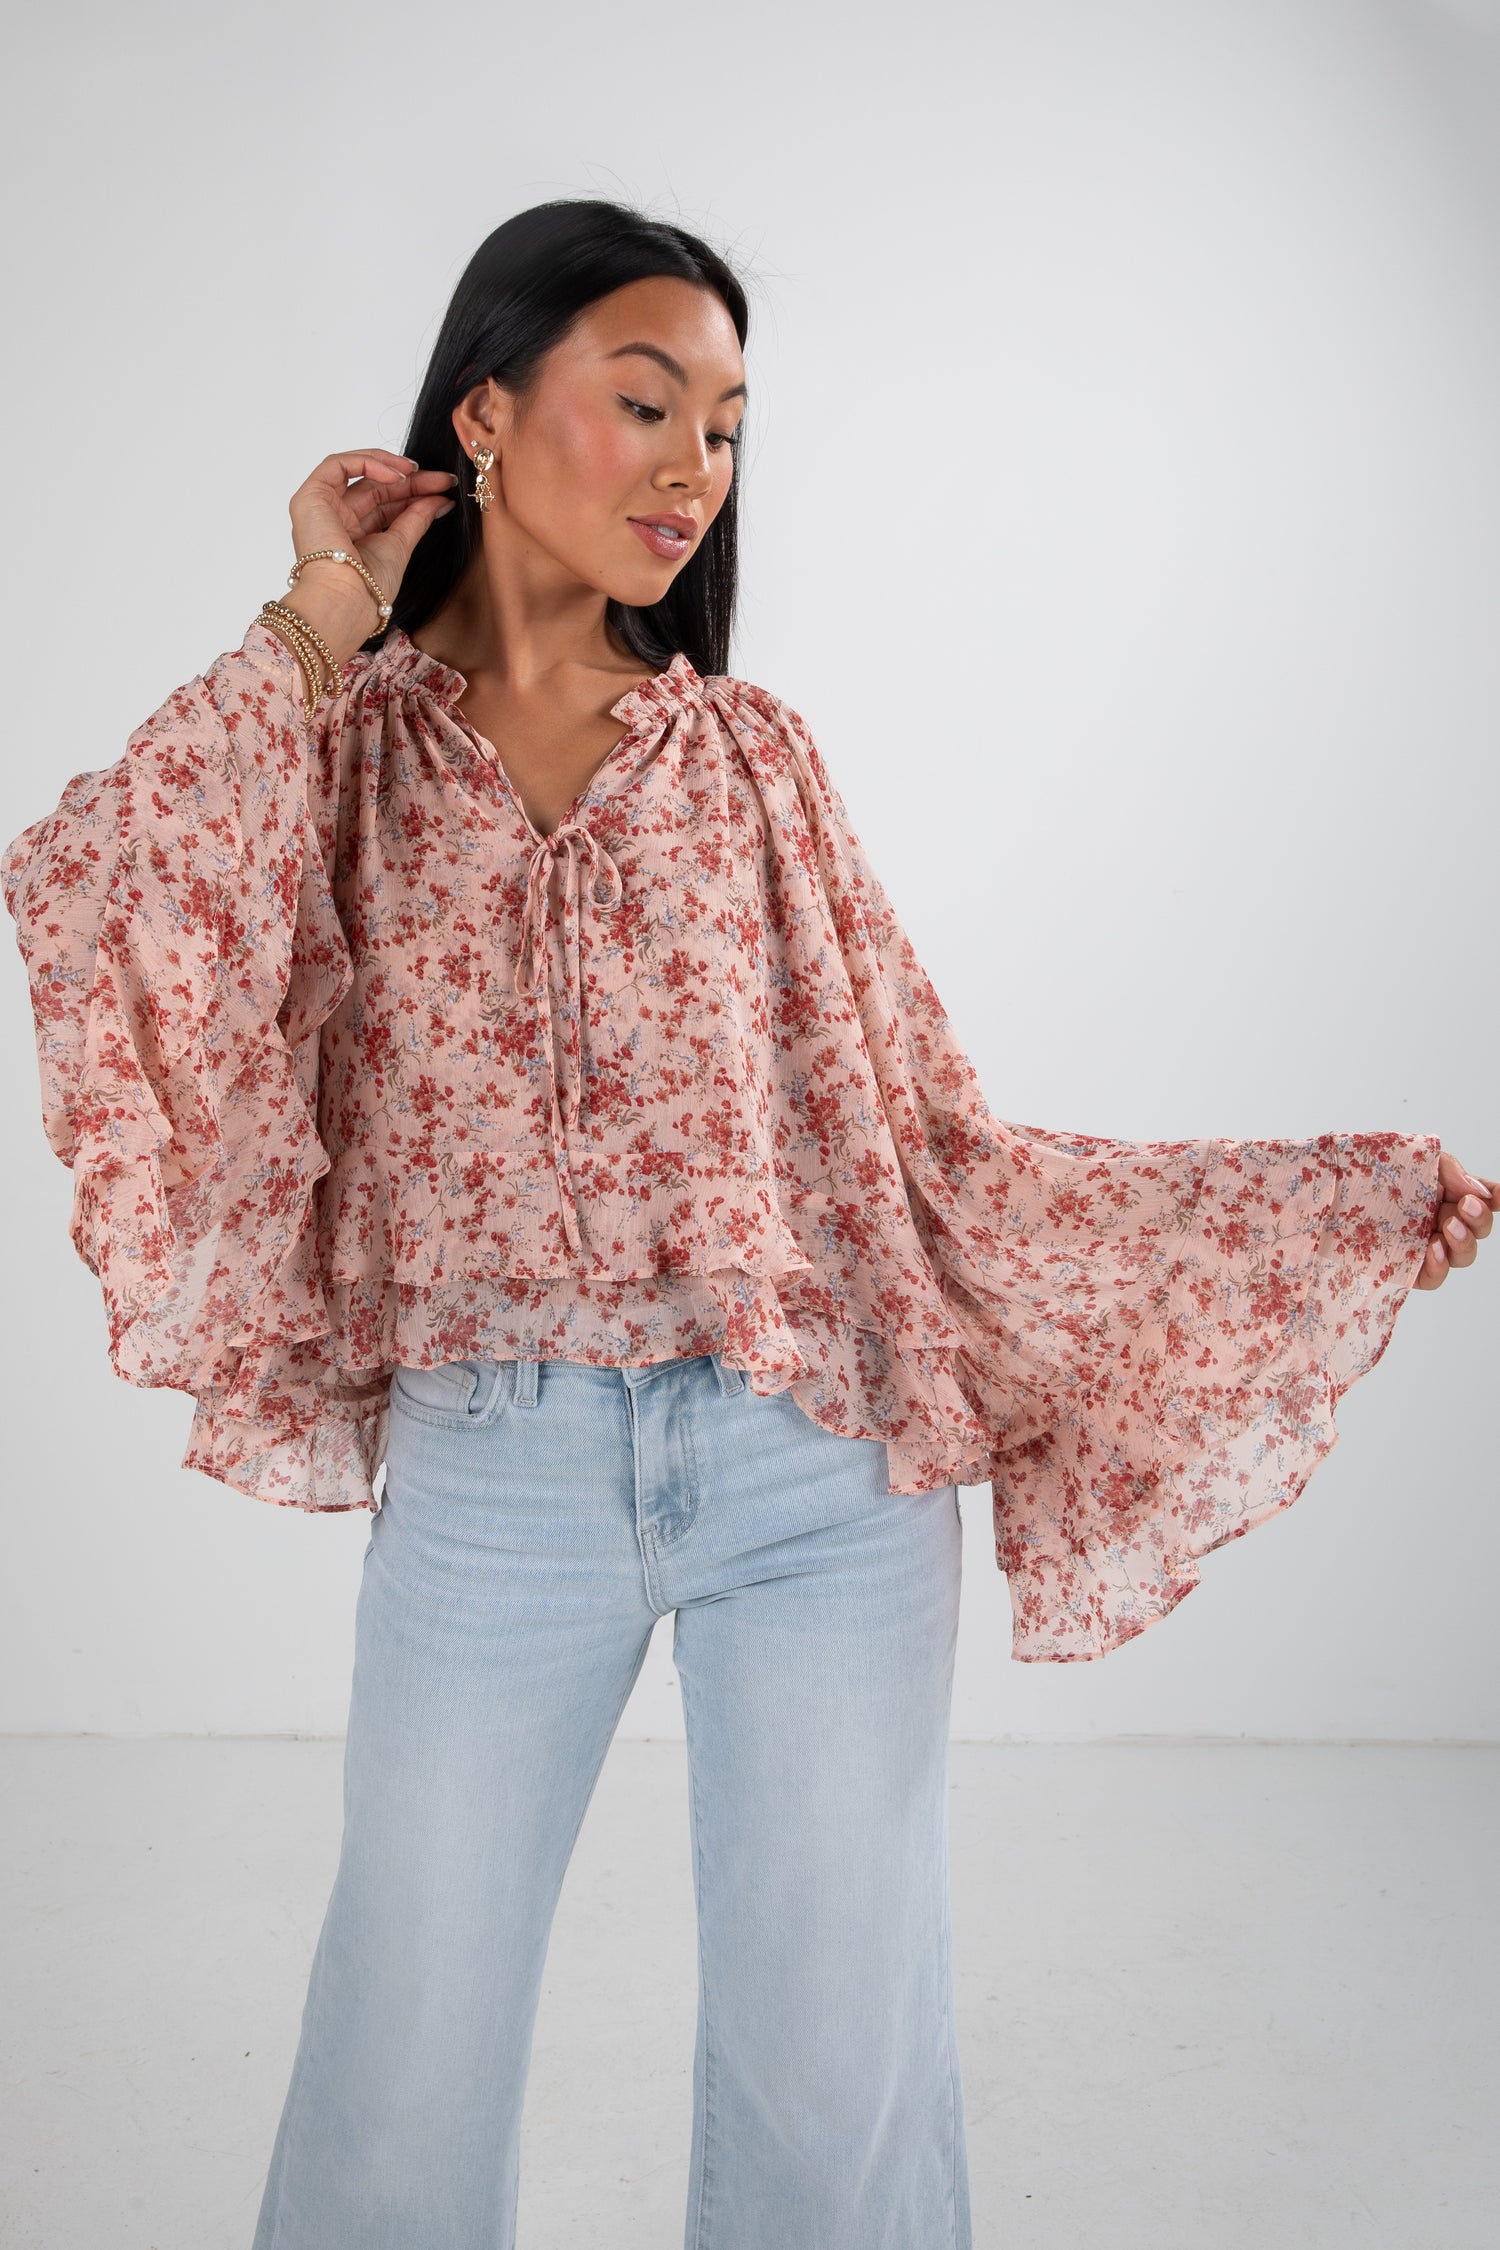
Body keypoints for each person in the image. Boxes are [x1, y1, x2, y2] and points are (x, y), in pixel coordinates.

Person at [2, 198, 1492, 2250]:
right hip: (490, 1469)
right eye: (647, 403)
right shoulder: (330, 752)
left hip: (821, 1461)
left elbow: (933, 1153)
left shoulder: (751, 759)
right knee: (405, 2032)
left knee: (835, 2062)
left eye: (728, 422)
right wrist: (314, 610)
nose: (699, 466)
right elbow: (105, 892)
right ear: (489, 418)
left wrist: (1317, 1204)